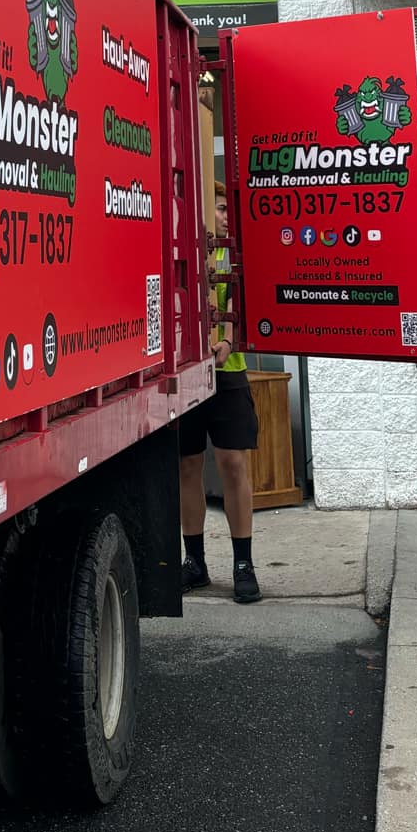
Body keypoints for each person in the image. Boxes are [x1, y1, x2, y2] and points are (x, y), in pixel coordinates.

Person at [179, 179, 261, 603]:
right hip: (188, 374)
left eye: (230, 209)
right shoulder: (186, 251)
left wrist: (226, 343)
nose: (226, 216)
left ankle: (243, 563)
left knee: (232, 465)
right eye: (219, 208)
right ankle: (195, 562)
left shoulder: (231, 255)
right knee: (187, 467)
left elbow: (236, 307)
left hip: (227, 371)